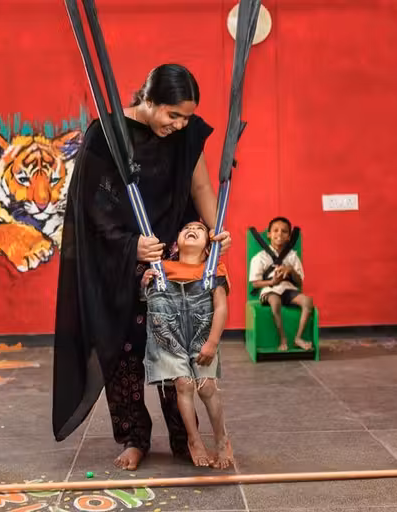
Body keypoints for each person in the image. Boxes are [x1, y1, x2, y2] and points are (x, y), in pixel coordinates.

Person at [53, 63, 231, 471]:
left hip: (169, 256)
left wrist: (214, 227)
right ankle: (134, 436)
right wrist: (131, 246)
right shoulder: (107, 135)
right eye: (173, 115)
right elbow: (88, 205)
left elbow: (199, 184)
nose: (182, 124)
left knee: (175, 345)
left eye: (187, 116)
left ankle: (186, 434)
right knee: (125, 349)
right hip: (120, 258)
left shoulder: (186, 135)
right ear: (148, 101)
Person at [140, 221, 233, 469]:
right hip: (168, 333)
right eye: (186, 228)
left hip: (201, 333)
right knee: (184, 384)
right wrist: (145, 282)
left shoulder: (214, 268)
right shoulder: (161, 267)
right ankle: (193, 439)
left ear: (207, 249)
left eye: (200, 230)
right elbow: (148, 301)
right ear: (176, 242)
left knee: (206, 387)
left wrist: (212, 342)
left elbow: (221, 307)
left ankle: (221, 438)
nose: (192, 229)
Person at [249, 216, 314, 351]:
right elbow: (255, 284)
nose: (279, 234)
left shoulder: (292, 256)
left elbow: (299, 281)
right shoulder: (260, 258)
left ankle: (298, 338)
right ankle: (282, 339)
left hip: (288, 289)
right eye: (276, 230)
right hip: (269, 290)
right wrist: (272, 282)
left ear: (289, 237)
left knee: (307, 302)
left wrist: (290, 270)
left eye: (284, 231)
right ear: (269, 234)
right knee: (275, 301)